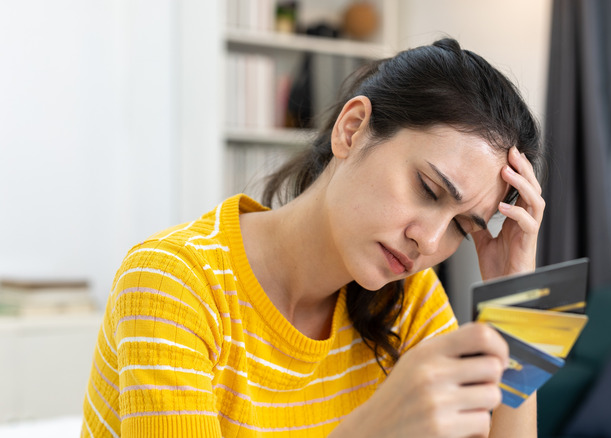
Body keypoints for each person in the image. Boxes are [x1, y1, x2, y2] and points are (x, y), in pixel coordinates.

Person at [81, 38, 545, 438]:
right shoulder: (173, 282)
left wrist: (516, 301)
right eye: (428, 189)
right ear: (352, 130)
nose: (429, 242)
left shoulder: (407, 295)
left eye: (463, 228)